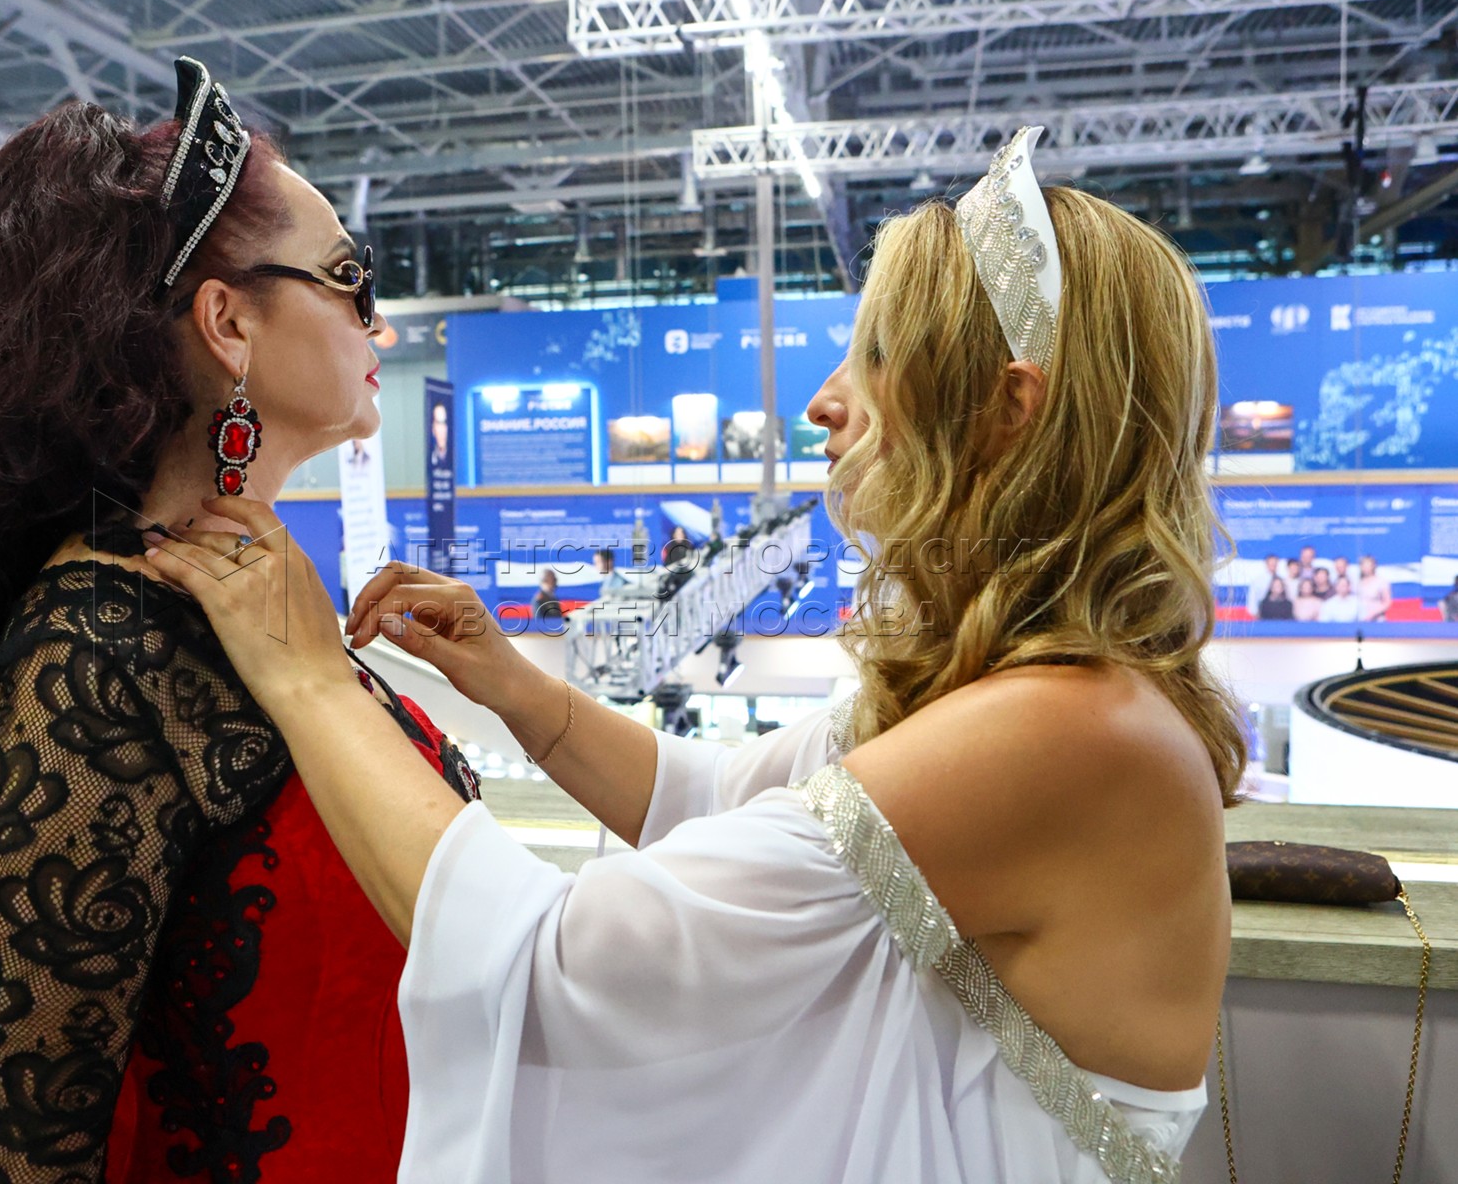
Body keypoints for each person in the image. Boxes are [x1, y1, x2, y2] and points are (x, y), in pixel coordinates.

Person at [132, 126, 1241, 1184]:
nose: (824, 402)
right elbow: (715, 800)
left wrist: (310, 678)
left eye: (876, 356)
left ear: (1006, 410)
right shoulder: (1030, 699)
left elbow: (564, 969)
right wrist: (518, 689)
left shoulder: (1061, 731)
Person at [0, 57, 478, 1183]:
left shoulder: (245, 602)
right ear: (227, 323)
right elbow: (22, 1152)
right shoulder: (87, 667)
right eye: (348, 278)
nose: (375, 324)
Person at [1357, 554, 1391, 622]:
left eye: (1368, 565)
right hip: (1360, 618)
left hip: (1376, 619)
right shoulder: (1357, 582)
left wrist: (1373, 614)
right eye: (1363, 566)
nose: (1366, 568)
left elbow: (1387, 602)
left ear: (1373, 566)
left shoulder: (1381, 581)